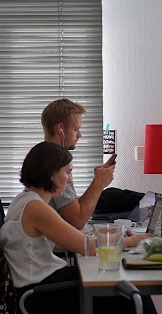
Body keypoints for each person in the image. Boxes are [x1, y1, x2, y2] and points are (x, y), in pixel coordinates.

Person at [0, 141, 162, 314]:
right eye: (67, 172)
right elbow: (84, 246)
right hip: (42, 302)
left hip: (38, 292)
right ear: (50, 173)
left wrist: (108, 237)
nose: (70, 179)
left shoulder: (25, 200)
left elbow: (68, 240)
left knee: (128, 290)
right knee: (130, 301)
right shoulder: (36, 208)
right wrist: (130, 241)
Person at [41, 98, 115, 229]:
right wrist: (99, 183)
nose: (79, 135)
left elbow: (73, 209)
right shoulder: (55, 162)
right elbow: (77, 221)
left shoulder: (45, 155)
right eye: (76, 129)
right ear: (60, 129)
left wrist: (97, 180)